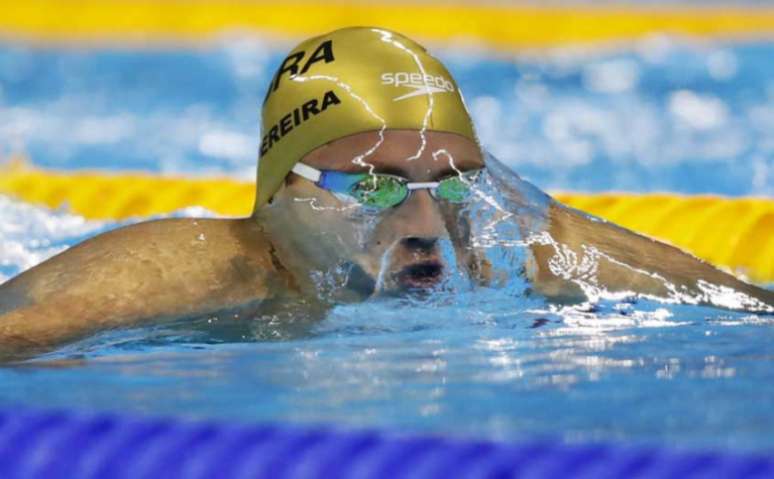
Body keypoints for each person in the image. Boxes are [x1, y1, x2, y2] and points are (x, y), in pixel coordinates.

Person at [0, 27, 771, 360]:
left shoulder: (518, 246)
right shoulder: (209, 271)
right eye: (370, 183)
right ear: (278, 194)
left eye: (455, 179)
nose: (426, 222)